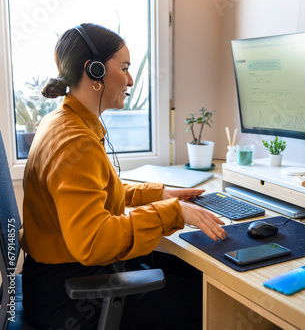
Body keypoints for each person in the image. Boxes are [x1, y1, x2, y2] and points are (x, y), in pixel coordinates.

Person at [20, 23, 227, 329]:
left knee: (199, 275)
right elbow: (93, 240)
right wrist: (171, 213)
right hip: (70, 297)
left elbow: (94, 191)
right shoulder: (74, 140)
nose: (130, 80)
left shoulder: (65, 120)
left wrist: (159, 196)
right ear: (95, 72)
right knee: (217, 303)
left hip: (56, 279)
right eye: (125, 68)